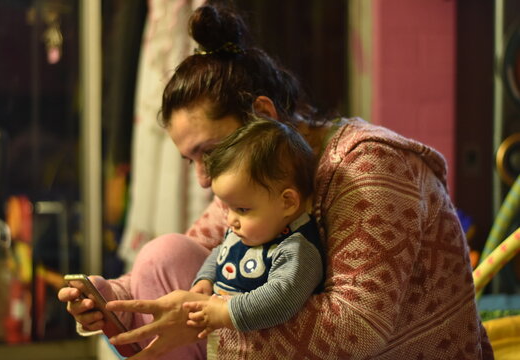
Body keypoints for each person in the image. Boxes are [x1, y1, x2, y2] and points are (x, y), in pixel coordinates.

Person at [59, 2, 494, 359]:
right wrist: (111, 298)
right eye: (189, 160)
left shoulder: (368, 168)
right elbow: (187, 258)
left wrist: (207, 324)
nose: (204, 178)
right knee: (165, 254)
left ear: (263, 115)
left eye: (208, 153)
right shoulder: (257, 181)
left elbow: (356, 330)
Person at [183, 117, 323, 338]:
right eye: (227, 208)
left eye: (242, 209)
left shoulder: (297, 249)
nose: (230, 220)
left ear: (287, 202)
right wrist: (205, 279)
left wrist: (226, 313)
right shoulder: (252, 231)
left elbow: (281, 299)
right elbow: (222, 252)